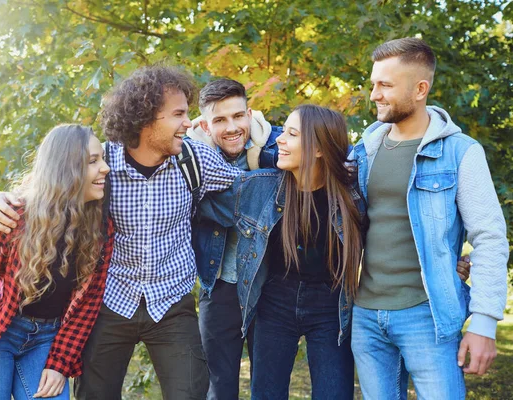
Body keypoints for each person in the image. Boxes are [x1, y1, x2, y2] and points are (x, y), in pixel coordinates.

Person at [0, 65, 243, 400]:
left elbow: (252, 190)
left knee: (191, 392)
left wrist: (261, 141)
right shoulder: (101, 163)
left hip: (172, 301)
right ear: (147, 119)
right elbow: (45, 192)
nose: (188, 123)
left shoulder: (194, 159)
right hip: (110, 299)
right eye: (178, 114)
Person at [350, 37, 509, 399]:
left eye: (385, 85)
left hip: (429, 317)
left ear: (420, 89)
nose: (374, 94)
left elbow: (489, 237)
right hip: (366, 315)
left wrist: (484, 323)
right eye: (373, 83)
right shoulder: (364, 150)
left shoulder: (460, 152)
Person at [199, 104, 367, 399]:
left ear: (318, 148)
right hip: (274, 302)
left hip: (330, 306)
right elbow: (198, 200)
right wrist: (196, 145)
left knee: (334, 393)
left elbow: (395, 230)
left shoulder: (350, 195)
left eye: (291, 134)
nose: (278, 139)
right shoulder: (260, 187)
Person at [0, 125, 114, 400]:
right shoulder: (13, 217)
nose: (105, 168)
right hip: (1, 333)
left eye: (102, 158)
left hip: (48, 338)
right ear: (66, 169)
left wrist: (59, 364)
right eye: (93, 161)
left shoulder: (101, 228)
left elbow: (87, 304)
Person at [188, 78, 281, 399]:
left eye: (238, 116)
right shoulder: (190, 162)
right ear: (204, 124)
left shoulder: (275, 145)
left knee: (268, 386)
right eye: (220, 120)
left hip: (270, 285)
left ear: (250, 114)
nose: (232, 127)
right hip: (220, 286)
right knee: (219, 386)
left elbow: (333, 154)